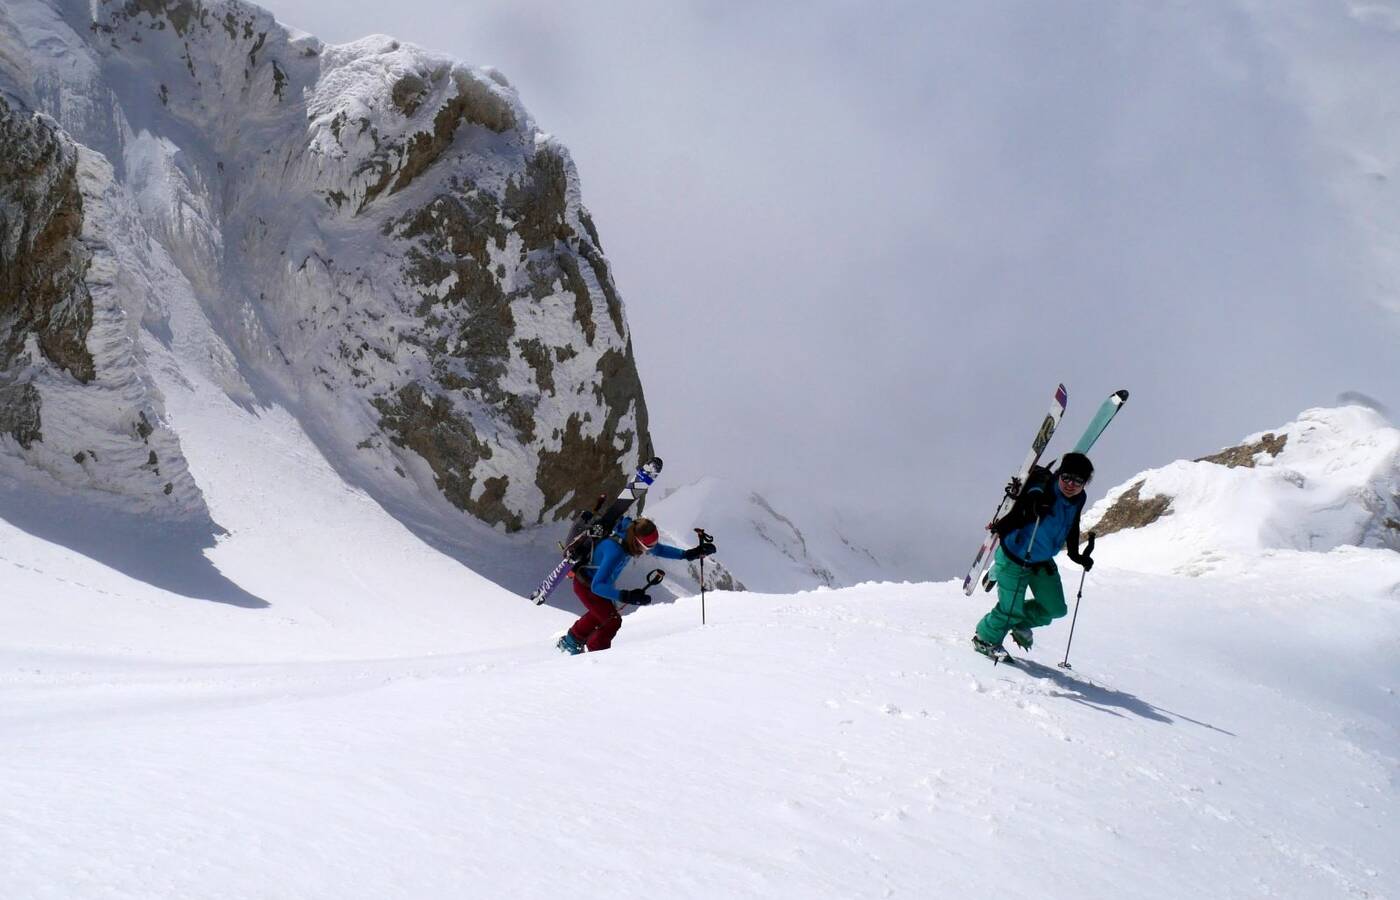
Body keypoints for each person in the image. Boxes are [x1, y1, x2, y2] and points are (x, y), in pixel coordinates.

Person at [972, 452, 1096, 660]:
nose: (1070, 484)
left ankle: (1020, 623)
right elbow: (1030, 494)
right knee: (1010, 610)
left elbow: (1072, 525)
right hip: (1015, 557)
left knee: (1055, 609)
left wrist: (1076, 555)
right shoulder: (1043, 489)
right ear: (1059, 474)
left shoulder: (1079, 498)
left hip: (1041, 560)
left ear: (1085, 484)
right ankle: (984, 639)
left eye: (1078, 481)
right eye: (1066, 477)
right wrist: (1033, 502)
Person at [557, 516, 716, 654]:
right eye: (647, 547)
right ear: (637, 541)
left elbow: (659, 550)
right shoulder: (615, 551)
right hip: (586, 586)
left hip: (594, 583)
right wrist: (626, 596)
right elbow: (597, 586)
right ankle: (596, 655)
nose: (649, 550)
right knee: (612, 620)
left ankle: (571, 641)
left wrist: (688, 554)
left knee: (602, 614)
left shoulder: (630, 533)